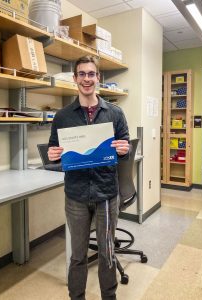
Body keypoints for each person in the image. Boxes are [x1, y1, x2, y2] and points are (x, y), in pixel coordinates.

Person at [48, 55, 130, 300]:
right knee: (77, 254)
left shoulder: (114, 113)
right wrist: (53, 155)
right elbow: (55, 154)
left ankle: (109, 297)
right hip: (76, 195)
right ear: (75, 79)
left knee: (106, 252)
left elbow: (123, 151)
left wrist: (124, 149)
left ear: (98, 78)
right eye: (81, 74)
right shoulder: (63, 116)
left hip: (106, 193)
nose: (87, 79)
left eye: (91, 74)